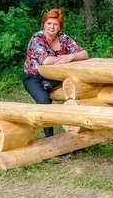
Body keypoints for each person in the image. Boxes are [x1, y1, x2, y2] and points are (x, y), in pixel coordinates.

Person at [22, 8, 89, 137]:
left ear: (59, 27)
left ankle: (82, 132)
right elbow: (46, 61)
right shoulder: (37, 38)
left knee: (79, 89)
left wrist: (70, 57)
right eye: (49, 23)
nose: (52, 27)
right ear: (44, 24)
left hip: (54, 76)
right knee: (43, 99)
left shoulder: (63, 38)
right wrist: (63, 58)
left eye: (55, 24)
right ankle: (49, 138)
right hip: (33, 76)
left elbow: (84, 53)